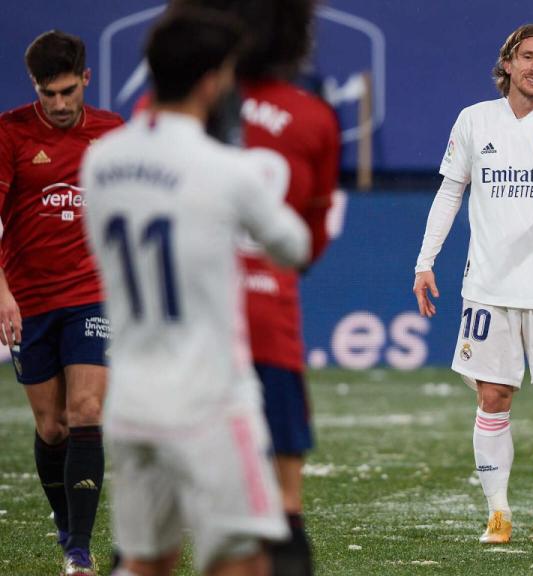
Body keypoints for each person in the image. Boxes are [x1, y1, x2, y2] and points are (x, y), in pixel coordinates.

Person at [80, 8, 310, 576]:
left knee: (143, 561)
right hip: (210, 401)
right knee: (241, 563)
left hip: (131, 401)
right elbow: (294, 246)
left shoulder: (100, 159)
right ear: (213, 79)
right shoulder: (225, 170)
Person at [412, 22, 533, 545]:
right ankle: (498, 512)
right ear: (509, 63)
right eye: (528, 56)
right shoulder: (474, 121)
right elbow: (451, 193)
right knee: (492, 397)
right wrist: (424, 262)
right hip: (487, 288)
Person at [170, 1, 339, 572]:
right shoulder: (313, 118)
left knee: (166, 521)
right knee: (282, 510)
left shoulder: (167, 110)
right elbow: (307, 249)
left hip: (182, 334)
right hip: (269, 332)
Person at [0, 29, 123, 575]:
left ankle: (79, 552)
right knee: (51, 427)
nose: (58, 104)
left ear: (86, 81)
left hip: (91, 293)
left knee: (87, 412)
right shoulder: (10, 134)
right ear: (35, 88)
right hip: (28, 300)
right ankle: (66, 524)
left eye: (67, 91)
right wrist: (2, 293)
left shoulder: (113, 134)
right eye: (47, 94)